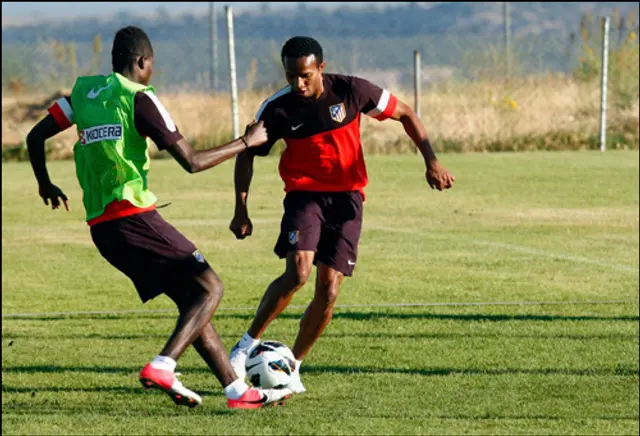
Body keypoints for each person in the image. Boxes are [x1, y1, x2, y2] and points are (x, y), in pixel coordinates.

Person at [26, 26, 292, 409]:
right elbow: (193, 161)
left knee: (191, 302)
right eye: (152, 65)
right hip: (134, 216)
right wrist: (245, 142)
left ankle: (237, 391)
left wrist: (45, 184)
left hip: (103, 229)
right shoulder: (139, 98)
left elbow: (35, 137)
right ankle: (164, 364)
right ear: (143, 62)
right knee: (210, 288)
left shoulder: (81, 94)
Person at [227, 36, 456, 393]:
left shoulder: (352, 90)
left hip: (348, 200)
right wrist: (241, 208)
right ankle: (243, 348)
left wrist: (432, 161)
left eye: (304, 75)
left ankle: (295, 366)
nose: (297, 84)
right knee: (298, 272)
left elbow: (406, 113)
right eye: (290, 76)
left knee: (329, 290)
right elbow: (247, 152)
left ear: (321, 66)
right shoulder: (277, 108)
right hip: (305, 196)